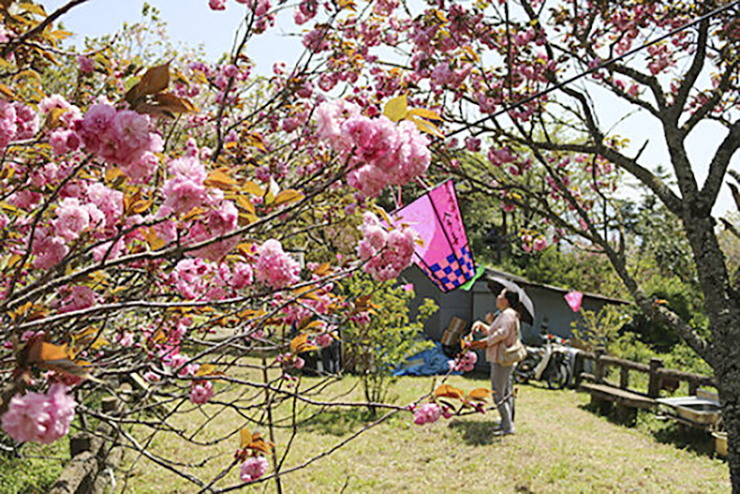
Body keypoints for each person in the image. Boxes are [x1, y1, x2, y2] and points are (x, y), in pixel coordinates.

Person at [472, 287, 521, 436]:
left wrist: (486, 342)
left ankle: (507, 427)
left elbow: (502, 333)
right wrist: (483, 325)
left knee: (498, 393)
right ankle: (506, 422)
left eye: (500, 295)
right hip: (505, 358)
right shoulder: (507, 314)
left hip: (502, 358)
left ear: (506, 300)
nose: (498, 297)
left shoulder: (507, 314)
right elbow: (496, 332)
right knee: (505, 392)